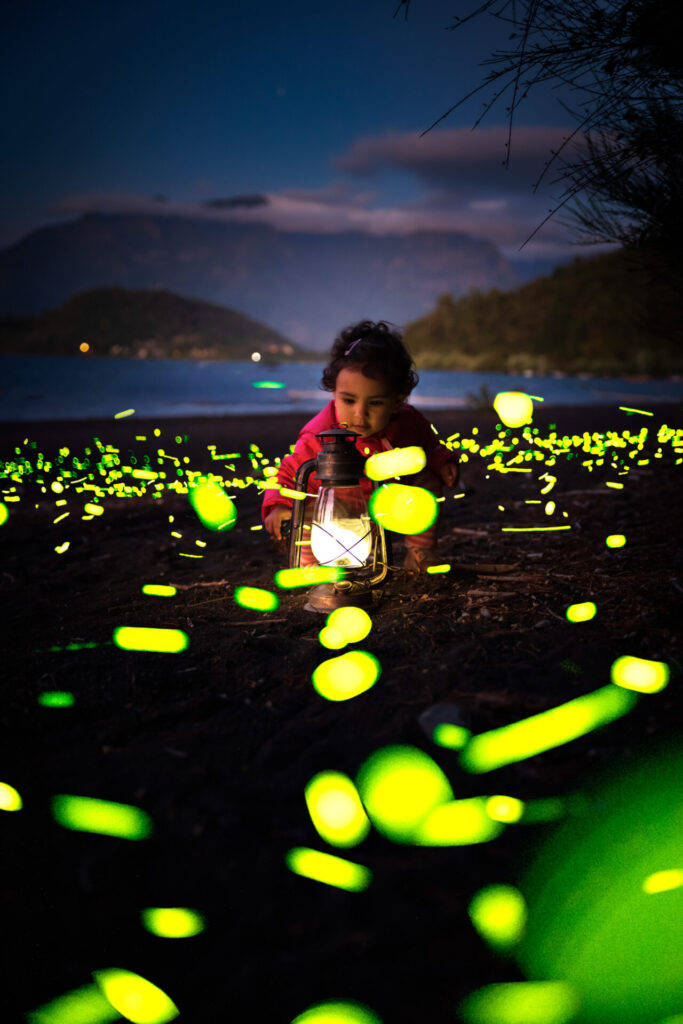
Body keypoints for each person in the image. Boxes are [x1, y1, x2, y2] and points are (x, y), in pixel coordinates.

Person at [262, 320, 459, 572]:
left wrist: (443, 462)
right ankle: (311, 567)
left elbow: (429, 446)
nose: (359, 414)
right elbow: (289, 473)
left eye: (375, 403)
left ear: (397, 400)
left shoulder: (408, 422)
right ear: (333, 392)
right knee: (308, 505)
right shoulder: (320, 436)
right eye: (348, 400)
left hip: (391, 503)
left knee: (427, 481)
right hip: (338, 510)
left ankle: (420, 552)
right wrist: (278, 505)